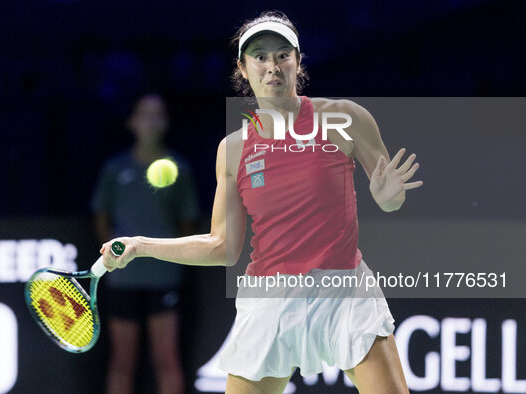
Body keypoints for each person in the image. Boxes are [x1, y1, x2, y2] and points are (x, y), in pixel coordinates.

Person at [100, 12, 422, 394]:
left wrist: (390, 198)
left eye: (283, 55)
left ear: (298, 62)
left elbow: (390, 199)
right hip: (271, 299)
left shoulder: (345, 118)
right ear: (243, 67)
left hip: (344, 291)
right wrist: (141, 246)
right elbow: (223, 246)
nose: (272, 66)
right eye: (260, 56)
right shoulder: (233, 150)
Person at [91, 93, 199, 394]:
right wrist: (114, 258)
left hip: (163, 277)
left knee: (166, 359)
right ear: (132, 121)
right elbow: (101, 219)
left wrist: (172, 256)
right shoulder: (115, 169)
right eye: (145, 114)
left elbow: (188, 223)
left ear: (166, 122)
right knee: (122, 361)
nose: (151, 121)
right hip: (123, 279)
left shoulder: (180, 168)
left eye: (158, 114)